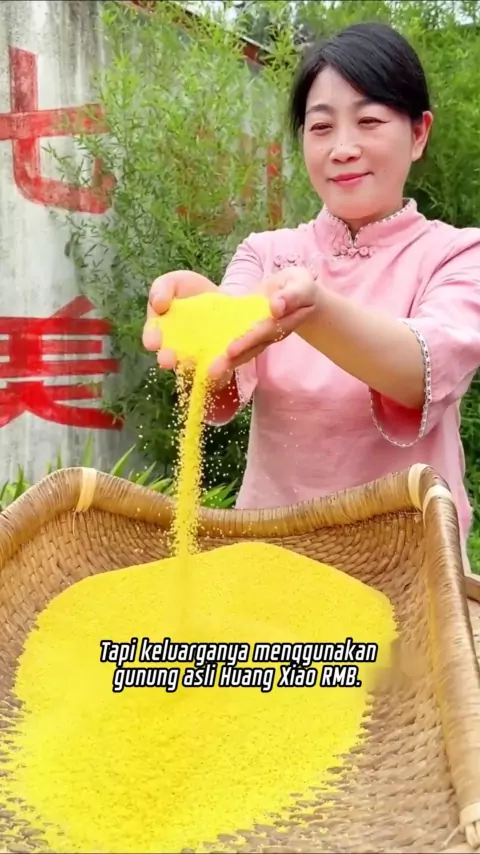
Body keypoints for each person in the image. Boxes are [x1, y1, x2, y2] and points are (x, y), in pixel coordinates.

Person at [143, 21, 480, 561]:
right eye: (321, 127)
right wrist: (201, 328)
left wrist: (312, 310)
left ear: (419, 133)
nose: (343, 148)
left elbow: (419, 373)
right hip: (272, 555)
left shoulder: (458, 254)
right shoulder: (265, 252)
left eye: (369, 121)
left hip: (406, 567)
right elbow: (222, 380)